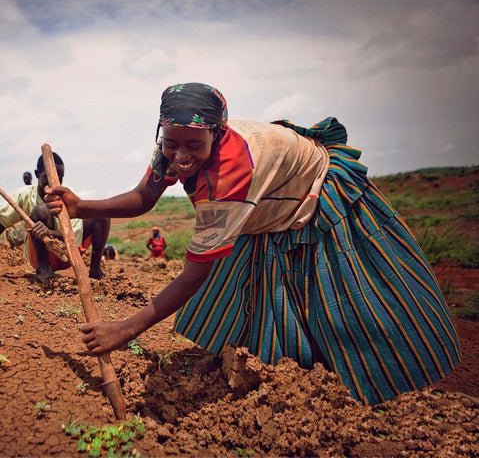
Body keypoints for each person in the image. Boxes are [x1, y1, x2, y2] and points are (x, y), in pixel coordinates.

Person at [45, 82, 460, 405]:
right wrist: (81, 206)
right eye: (172, 142)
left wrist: (127, 329)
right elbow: (145, 197)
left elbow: (194, 276)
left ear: (217, 132)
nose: (181, 155)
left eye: (194, 145)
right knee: (262, 293)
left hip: (315, 191)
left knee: (342, 301)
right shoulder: (173, 143)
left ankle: (370, 379)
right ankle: (276, 368)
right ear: (163, 131)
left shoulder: (230, 178)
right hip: (268, 201)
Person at [0, 152, 111, 281]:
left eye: (60, 177)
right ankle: (44, 269)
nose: (54, 182)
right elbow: (2, 221)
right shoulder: (24, 195)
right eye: (49, 177)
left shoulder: (66, 196)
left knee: (101, 216)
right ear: (37, 174)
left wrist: (49, 233)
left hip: (68, 252)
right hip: (38, 256)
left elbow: (73, 238)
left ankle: (95, 270)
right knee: (41, 210)